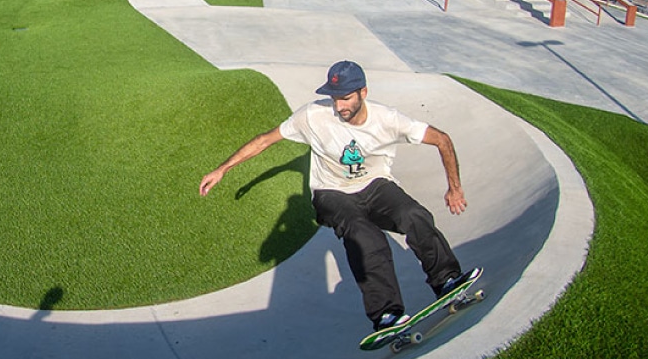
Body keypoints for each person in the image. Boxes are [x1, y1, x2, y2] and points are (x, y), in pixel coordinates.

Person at [199, 60, 479, 336]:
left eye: (345, 98)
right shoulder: (311, 116)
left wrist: (454, 188)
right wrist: (223, 168)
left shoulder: (388, 119)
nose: (339, 107)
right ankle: (386, 314)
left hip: (375, 185)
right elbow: (265, 140)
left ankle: (447, 280)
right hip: (331, 192)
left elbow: (442, 139)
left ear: (363, 93)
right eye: (334, 99)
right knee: (365, 236)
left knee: (414, 216)